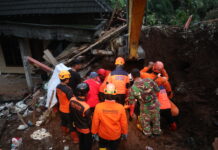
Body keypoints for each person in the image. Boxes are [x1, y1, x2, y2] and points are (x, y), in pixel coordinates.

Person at [92, 83, 128, 150]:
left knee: (102, 147)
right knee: (113, 148)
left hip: (103, 134)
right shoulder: (120, 107)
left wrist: (94, 132)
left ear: (104, 93)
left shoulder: (98, 106)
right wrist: (125, 132)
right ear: (115, 94)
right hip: (115, 135)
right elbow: (123, 122)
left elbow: (95, 122)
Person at [127, 68, 161, 136]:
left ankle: (148, 133)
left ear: (132, 77)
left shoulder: (132, 89)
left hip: (145, 106)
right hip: (155, 103)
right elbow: (157, 90)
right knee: (156, 119)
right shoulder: (149, 80)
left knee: (145, 121)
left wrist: (131, 112)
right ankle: (157, 132)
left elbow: (132, 102)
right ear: (139, 75)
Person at [56, 70, 79, 143]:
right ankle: (75, 139)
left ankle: (65, 132)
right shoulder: (68, 89)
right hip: (68, 110)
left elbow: (57, 96)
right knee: (72, 124)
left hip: (61, 108)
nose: (69, 80)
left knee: (63, 121)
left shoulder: (58, 87)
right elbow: (72, 101)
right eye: (68, 78)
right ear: (65, 79)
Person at [70, 83, 92, 150]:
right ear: (86, 93)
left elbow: (71, 113)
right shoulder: (86, 107)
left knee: (81, 141)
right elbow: (89, 122)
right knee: (87, 144)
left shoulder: (72, 100)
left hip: (77, 126)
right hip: (85, 129)